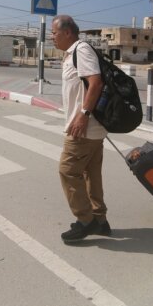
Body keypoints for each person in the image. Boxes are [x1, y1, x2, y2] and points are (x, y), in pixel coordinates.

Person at [50, 14, 111, 243]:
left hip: (83, 129)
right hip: (92, 130)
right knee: (90, 174)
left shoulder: (81, 50)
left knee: (68, 170)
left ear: (67, 32)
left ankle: (86, 221)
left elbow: (96, 83)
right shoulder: (72, 54)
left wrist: (83, 115)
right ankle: (100, 221)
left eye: (54, 33)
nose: (52, 37)